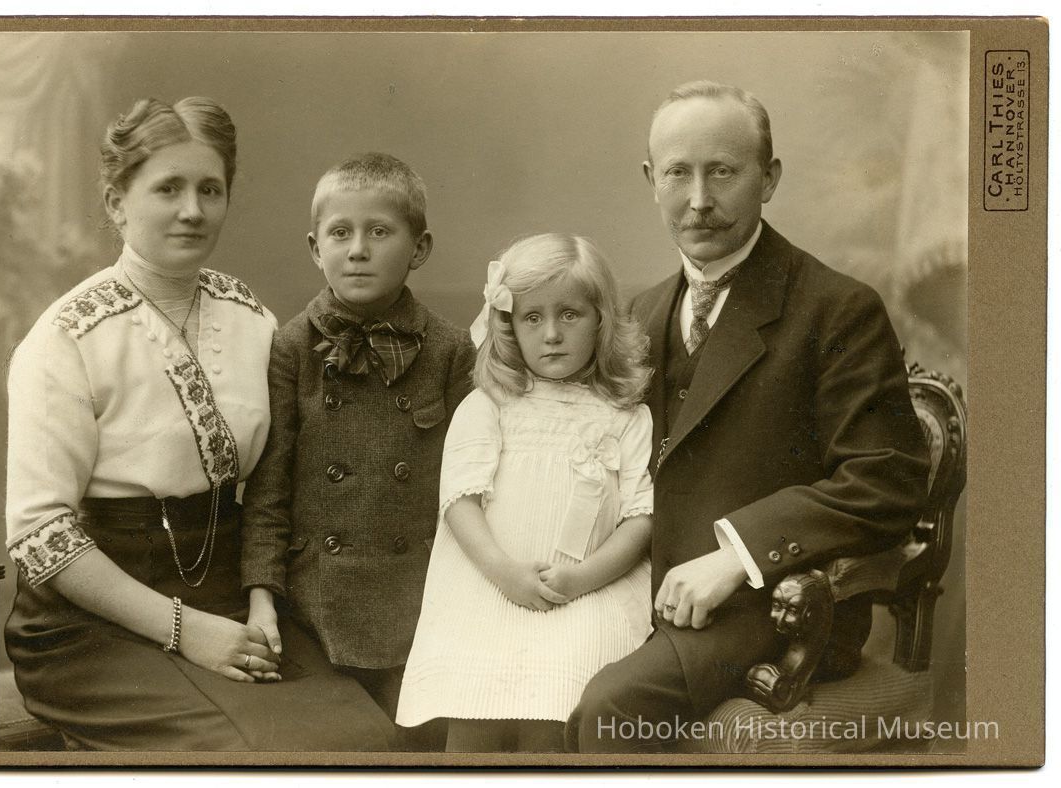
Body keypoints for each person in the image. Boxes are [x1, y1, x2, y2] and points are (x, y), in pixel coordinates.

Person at [3, 97, 393, 751]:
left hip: (231, 595)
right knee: (275, 755)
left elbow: (274, 484)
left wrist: (261, 600)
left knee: (373, 742)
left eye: (210, 189)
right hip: (92, 628)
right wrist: (185, 630)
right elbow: (42, 539)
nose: (193, 209)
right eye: (169, 188)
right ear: (116, 201)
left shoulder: (252, 319)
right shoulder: (67, 337)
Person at [565, 81, 931, 752]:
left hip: (775, 609)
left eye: (724, 172)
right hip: (642, 591)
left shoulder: (836, 309)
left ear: (769, 178)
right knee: (511, 681)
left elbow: (887, 482)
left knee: (611, 707)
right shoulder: (638, 317)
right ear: (652, 180)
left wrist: (738, 552)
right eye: (679, 173)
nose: (699, 200)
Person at [240, 152, 476, 749]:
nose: (358, 250)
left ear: (419, 248)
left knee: (423, 748)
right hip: (313, 608)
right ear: (315, 248)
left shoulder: (451, 350)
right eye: (340, 233)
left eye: (379, 232)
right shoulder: (291, 346)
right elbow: (269, 487)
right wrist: (261, 599)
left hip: (421, 606)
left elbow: (468, 489)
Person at [395, 234, 654, 753]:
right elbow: (459, 503)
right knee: (474, 726)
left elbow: (640, 519)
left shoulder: (627, 415)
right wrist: (506, 573)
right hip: (490, 588)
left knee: (555, 722)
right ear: (508, 324)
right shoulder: (489, 405)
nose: (552, 334)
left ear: (601, 319)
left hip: (586, 595)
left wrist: (581, 579)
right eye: (532, 317)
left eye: (571, 315)